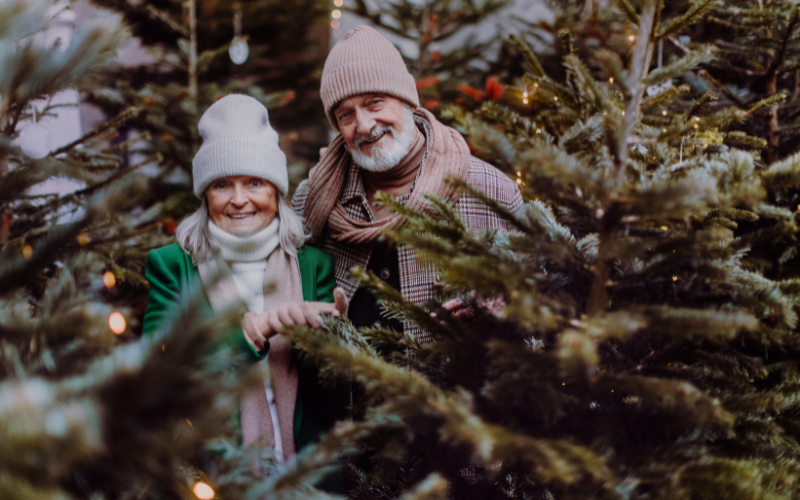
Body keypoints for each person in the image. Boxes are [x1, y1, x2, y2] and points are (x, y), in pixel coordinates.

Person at [142, 94, 349, 470]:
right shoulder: (172, 265)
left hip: (304, 473)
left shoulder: (313, 265)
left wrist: (334, 340)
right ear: (205, 193)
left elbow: (328, 395)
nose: (239, 200)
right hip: (211, 473)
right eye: (222, 184)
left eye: (254, 182)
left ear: (276, 190)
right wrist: (253, 330)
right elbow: (158, 373)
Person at [292, 26, 523, 342]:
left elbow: (535, 318)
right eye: (346, 115)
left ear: (406, 101)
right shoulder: (314, 199)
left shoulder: (489, 192)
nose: (364, 125)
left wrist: (493, 315)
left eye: (375, 102)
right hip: (345, 392)